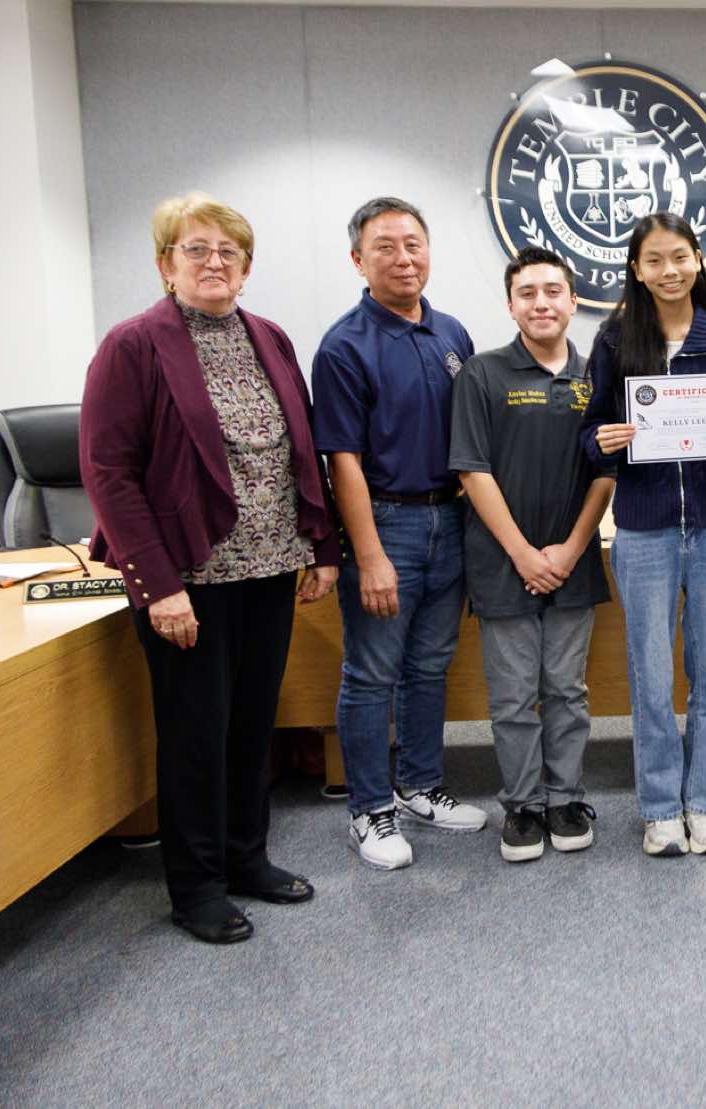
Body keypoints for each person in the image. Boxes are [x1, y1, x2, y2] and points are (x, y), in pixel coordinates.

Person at [80, 193, 340, 945]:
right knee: (196, 733)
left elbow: (302, 448)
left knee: (253, 723)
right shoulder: (133, 345)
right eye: (196, 249)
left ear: (247, 266)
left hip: (269, 566)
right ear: (166, 264)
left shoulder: (270, 337)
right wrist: (158, 585)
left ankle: (245, 858)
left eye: (229, 251)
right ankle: (196, 886)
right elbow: (108, 473)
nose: (214, 262)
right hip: (188, 580)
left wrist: (320, 545)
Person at [581, 212, 706, 858]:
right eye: (655, 260)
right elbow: (588, 433)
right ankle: (661, 809)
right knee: (652, 677)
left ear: (698, 260)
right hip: (643, 527)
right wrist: (603, 439)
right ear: (637, 269)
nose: (670, 270)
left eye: (680, 257)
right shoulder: (613, 341)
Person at [312, 197, 488, 871]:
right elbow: (342, 461)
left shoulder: (452, 334)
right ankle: (369, 808)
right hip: (385, 523)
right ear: (358, 260)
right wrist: (370, 555)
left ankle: (418, 785)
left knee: (428, 666)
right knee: (371, 673)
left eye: (413, 244)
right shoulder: (344, 345)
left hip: (451, 518)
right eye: (384, 247)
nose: (403, 258)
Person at [450, 247, 616, 863]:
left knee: (568, 690)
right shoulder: (481, 374)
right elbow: (472, 471)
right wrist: (522, 554)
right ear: (510, 304)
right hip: (503, 565)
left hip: (573, 562)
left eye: (552, 291)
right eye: (527, 293)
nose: (541, 303)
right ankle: (522, 806)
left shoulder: (598, 379)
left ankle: (565, 800)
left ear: (573, 301)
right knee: (514, 697)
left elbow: (606, 473)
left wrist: (570, 549)